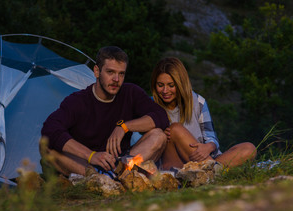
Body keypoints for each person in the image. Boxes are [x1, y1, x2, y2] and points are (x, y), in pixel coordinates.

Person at [40, 46, 169, 179]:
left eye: (121, 74)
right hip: (86, 164)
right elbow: (50, 129)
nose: (116, 79)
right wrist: (91, 155)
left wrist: (124, 126)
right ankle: (99, 178)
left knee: (159, 136)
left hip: (121, 163)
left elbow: (161, 117)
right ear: (97, 71)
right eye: (110, 72)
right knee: (46, 146)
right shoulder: (78, 101)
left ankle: (117, 176)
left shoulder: (130, 93)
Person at [151, 57, 257, 170]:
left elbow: (210, 136)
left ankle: (211, 171)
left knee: (249, 148)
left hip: (205, 157)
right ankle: (214, 171)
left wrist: (209, 147)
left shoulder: (198, 101)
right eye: (160, 85)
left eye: (171, 85)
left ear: (180, 83)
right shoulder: (149, 105)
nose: (165, 91)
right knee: (175, 129)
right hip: (177, 164)